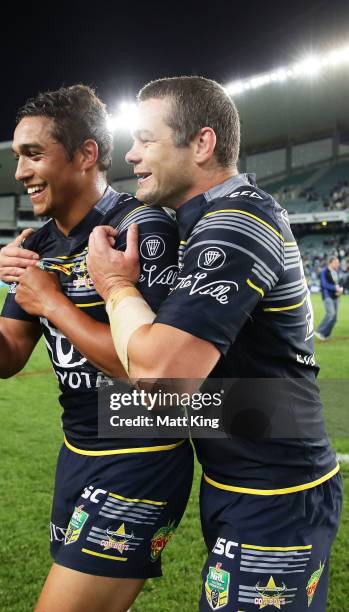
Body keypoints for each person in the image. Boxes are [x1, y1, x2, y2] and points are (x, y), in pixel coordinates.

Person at [0, 85, 193, 612]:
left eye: (33, 155)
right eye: (17, 157)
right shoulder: (37, 247)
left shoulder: (138, 228)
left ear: (86, 155)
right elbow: (9, 353)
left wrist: (54, 304)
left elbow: (157, 376)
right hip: (77, 455)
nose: (19, 172)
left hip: (140, 455)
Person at [86, 76, 342, 611]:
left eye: (145, 140)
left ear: (202, 144)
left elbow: (162, 383)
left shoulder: (236, 224)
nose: (129, 156)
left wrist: (114, 285)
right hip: (240, 473)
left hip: (277, 489)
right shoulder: (205, 222)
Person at [315, 255, 343, 340]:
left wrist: (339, 290)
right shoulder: (324, 271)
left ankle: (326, 335)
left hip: (335, 297)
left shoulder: (335, 272)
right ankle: (319, 331)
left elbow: (336, 283)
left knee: (334, 319)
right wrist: (335, 288)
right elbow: (324, 284)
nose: (338, 264)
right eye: (336, 262)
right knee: (330, 314)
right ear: (331, 262)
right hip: (327, 296)